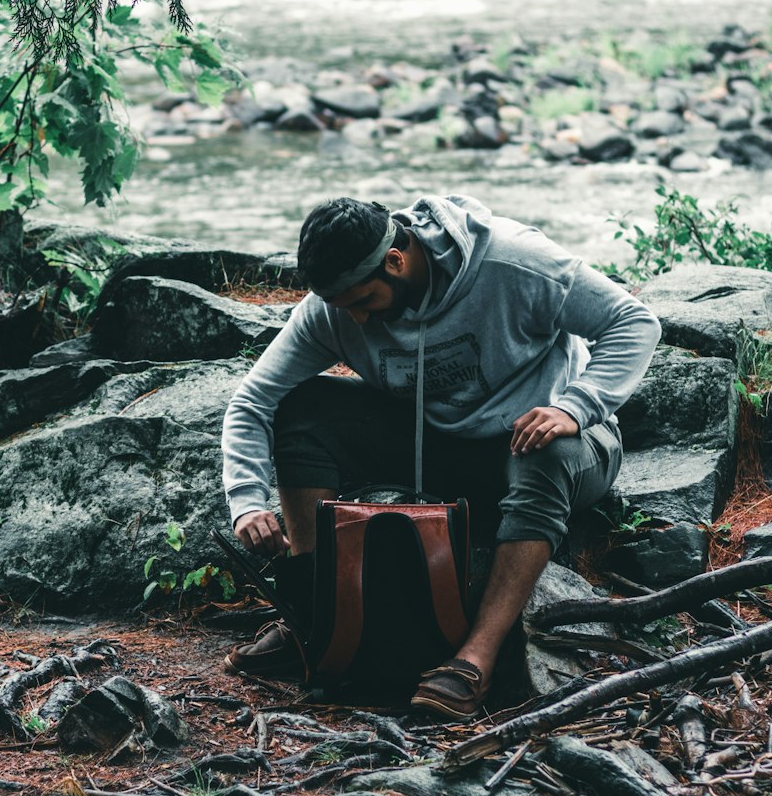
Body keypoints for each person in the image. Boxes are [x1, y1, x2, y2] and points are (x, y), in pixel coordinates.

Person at [221, 195, 661, 720]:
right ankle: (317, 621)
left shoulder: (513, 261)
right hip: (441, 449)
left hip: (556, 450)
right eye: (342, 307)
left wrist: (574, 407)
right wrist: (247, 500)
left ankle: (475, 660)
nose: (356, 318)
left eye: (363, 301)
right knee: (304, 408)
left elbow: (634, 322)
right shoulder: (336, 308)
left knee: (548, 450)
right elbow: (255, 400)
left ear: (395, 260)